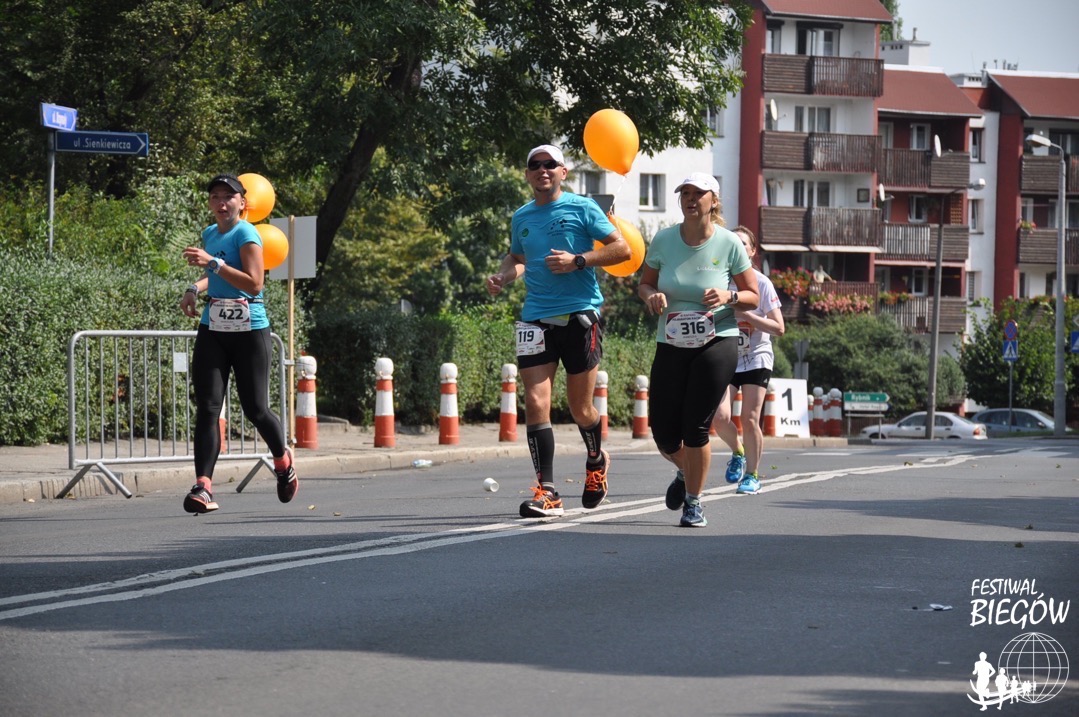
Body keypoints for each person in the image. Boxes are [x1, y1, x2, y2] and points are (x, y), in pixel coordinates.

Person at [486, 144, 630, 517]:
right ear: (527, 174)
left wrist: (578, 260)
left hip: (580, 315)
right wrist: (503, 275)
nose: (542, 170)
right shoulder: (522, 216)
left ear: (563, 172)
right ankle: (547, 492)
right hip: (535, 317)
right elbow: (518, 257)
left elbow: (622, 249)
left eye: (550, 164)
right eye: (535, 165)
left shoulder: (583, 207)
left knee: (580, 408)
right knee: (536, 402)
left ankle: (596, 460)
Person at [638, 173, 758, 527]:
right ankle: (686, 472)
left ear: (713, 201)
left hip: (717, 341)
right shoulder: (663, 240)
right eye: (685, 193)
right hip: (671, 341)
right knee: (664, 434)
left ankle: (693, 502)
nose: (690, 199)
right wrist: (652, 296)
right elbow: (644, 284)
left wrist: (728, 295)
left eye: (698, 193)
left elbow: (752, 296)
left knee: (696, 428)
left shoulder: (729, 243)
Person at [178, 174, 296, 514]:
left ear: (242, 203)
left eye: (228, 196)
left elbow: (254, 283)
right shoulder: (210, 234)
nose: (221, 202)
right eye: (215, 196)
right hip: (214, 326)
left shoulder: (247, 233)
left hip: (249, 329)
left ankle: (283, 463)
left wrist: (213, 262)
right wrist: (194, 288)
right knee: (208, 407)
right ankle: (203, 487)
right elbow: (214, 274)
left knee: (255, 408)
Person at [709, 225, 784, 495]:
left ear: (752, 252)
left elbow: (779, 327)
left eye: (744, 244)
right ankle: (738, 452)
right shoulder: (719, 281)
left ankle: (752, 475)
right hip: (727, 355)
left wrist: (748, 317)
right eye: (734, 243)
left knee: (749, 417)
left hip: (756, 357)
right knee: (719, 417)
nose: (738, 247)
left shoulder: (761, 283)